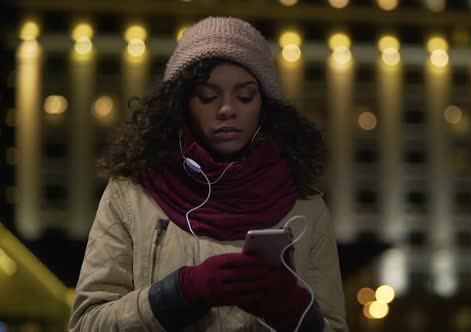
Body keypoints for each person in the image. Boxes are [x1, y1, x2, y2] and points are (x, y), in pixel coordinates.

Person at [69, 16, 348, 331]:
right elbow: (86, 324)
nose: (227, 109)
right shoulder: (131, 194)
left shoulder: (307, 209)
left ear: (265, 106)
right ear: (182, 104)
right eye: (207, 96)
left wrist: (293, 311)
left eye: (244, 96)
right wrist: (180, 293)